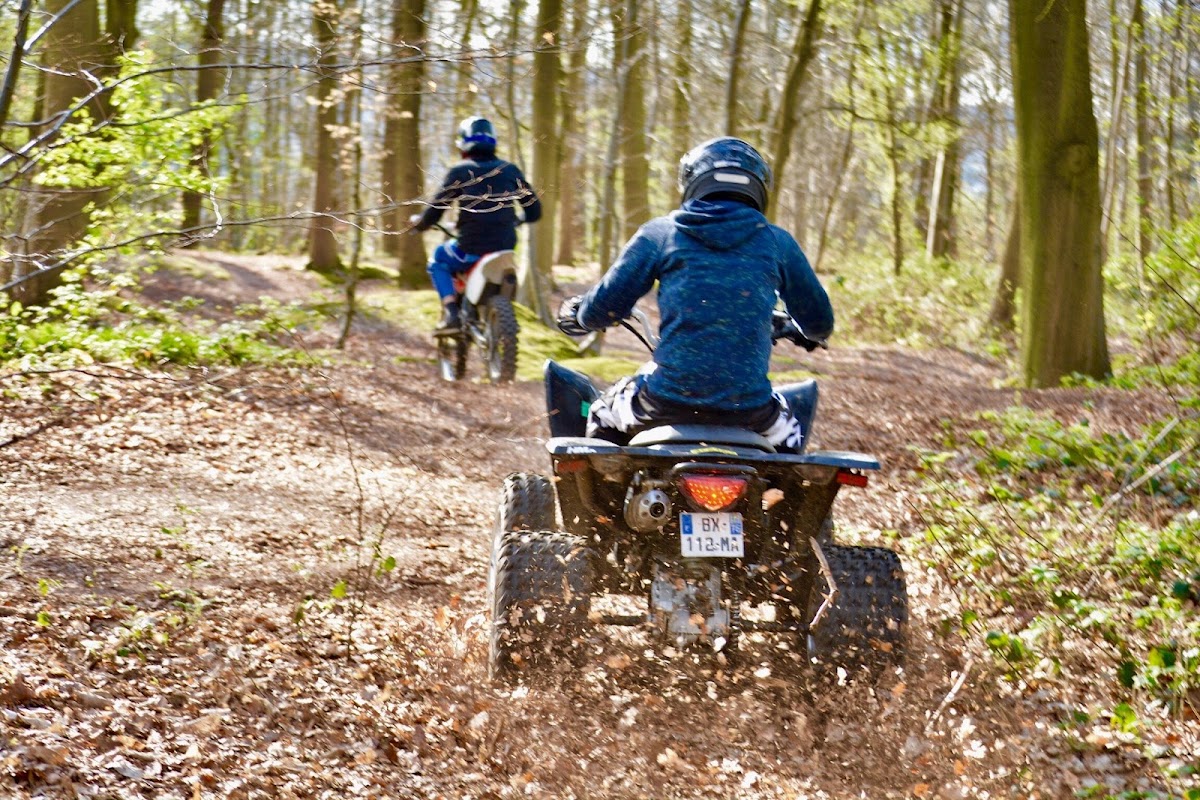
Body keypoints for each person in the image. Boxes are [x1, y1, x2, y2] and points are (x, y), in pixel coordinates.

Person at [556, 137, 833, 453]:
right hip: (753, 411)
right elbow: (820, 324)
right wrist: (804, 329)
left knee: (600, 413)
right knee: (792, 449)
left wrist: (579, 314)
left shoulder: (660, 234)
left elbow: (602, 309)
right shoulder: (777, 243)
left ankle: (603, 500)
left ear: (692, 182)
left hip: (663, 401)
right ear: (759, 188)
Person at [412, 116, 542, 333]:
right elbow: (534, 210)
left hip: (470, 248)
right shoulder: (510, 170)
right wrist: (516, 220)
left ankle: (452, 312)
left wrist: (421, 224)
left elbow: (436, 209)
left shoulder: (461, 171)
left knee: (438, 259)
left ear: (463, 142)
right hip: (505, 248)